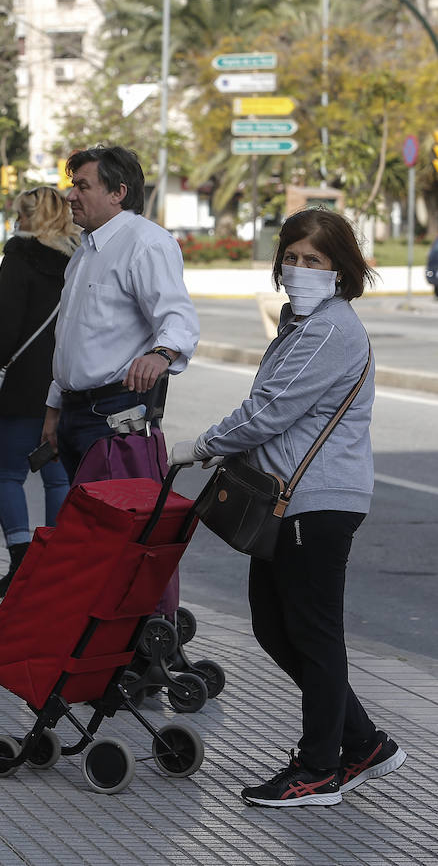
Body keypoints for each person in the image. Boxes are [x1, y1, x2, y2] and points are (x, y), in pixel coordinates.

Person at [170, 209, 404, 808]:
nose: (299, 269)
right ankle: (364, 742)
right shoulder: (303, 323)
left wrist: (200, 446)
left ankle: (321, 767)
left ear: (340, 268)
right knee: (276, 628)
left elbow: (269, 410)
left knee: (313, 635)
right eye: (292, 258)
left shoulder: (329, 330)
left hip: (315, 503)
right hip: (287, 500)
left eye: (314, 260)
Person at [40, 145, 200, 479]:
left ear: (118, 193)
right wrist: (55, 410)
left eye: (83, 186)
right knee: (83, 525)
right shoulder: (84, 252)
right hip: (74, 413)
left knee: (114, 525)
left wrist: (161, 355)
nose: (71, 196)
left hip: (114, 417)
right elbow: (71, 338)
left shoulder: (147, 243)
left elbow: (177, 316)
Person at [0, 187, 78, 595]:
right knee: (58, 478)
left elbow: (4, 328)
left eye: (18, 214)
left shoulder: (19, 258)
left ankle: (19, 559)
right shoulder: (80, 258)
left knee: (6, 474)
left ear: (29, 218)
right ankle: (53, 560)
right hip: (66, 384)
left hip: (20, 387)